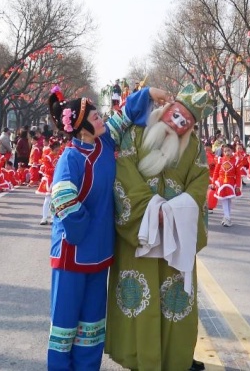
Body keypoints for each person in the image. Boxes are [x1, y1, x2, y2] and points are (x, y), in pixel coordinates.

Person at [45, 85, 159, 371]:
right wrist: (84, 232)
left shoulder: (105, 142)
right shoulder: (70, 158)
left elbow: (126, 114)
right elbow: (62, 200)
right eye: (96, 118)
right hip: (73, 253)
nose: (102, 121)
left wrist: (150, 93)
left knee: (92, 326)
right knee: (65, 325)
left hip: (99, 253)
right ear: (82, 127)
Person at [105, 83, 212, 371]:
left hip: (175, 234)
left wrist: (175, 212)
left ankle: (176, 358)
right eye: (176, 115)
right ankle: (138, 358)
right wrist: (152, 210)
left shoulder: (195, 148)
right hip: (139, 233)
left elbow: (200, 183)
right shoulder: (135, 135)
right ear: (168, 108)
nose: (177, 123)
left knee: (173, 299)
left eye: (184, 123)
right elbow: (123, 174)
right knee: (138, 295)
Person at [211, 144, 243, 227]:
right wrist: (213, 182)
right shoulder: (220, 160)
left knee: (228, 200)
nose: (227, 152)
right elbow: (216, 172)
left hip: (231, 182)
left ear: (232, 151)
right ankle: (227, 217)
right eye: (225, 151)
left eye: (228, 150)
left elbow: (238, 175)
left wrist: (238, 186)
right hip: (221, 182)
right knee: (224, 200)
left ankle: (227, 217)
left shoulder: (235, 161)